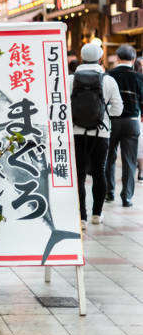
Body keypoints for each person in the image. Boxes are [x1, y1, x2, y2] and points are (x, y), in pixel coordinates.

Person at [69, 43, 123, 228]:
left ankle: (81, 217)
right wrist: (103, 111)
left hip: (76, 132)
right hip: (101, 133)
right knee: (99, 173)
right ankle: (96, 215)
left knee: (79, 175)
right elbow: (118, 109)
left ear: (81, 58)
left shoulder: (71, 79)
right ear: (100, 59)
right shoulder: (108, 80)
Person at [106, 45, 143, 207]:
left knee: (109, 157)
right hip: (132, 122)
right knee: (129, 160)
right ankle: (126, 197)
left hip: (112, 121)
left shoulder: (109, 75)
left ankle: (109, 192)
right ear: (133, 59)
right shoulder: (139, 77)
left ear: (117, 58)